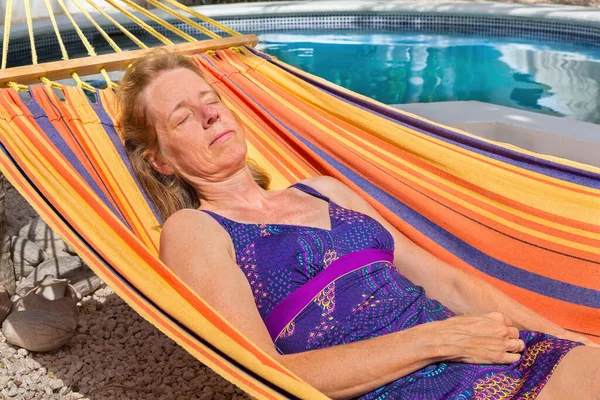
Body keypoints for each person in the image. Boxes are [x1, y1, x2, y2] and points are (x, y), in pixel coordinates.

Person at [118, 49, 600, 400]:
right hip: (398, 383)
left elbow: (445, 280)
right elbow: (261, 371)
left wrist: (565, 336)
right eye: (183, 117)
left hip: (481, 346)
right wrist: (433, 341)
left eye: (211, 99)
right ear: (160, 160)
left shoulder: (325, 190)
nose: (209, 114)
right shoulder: (195, 229)